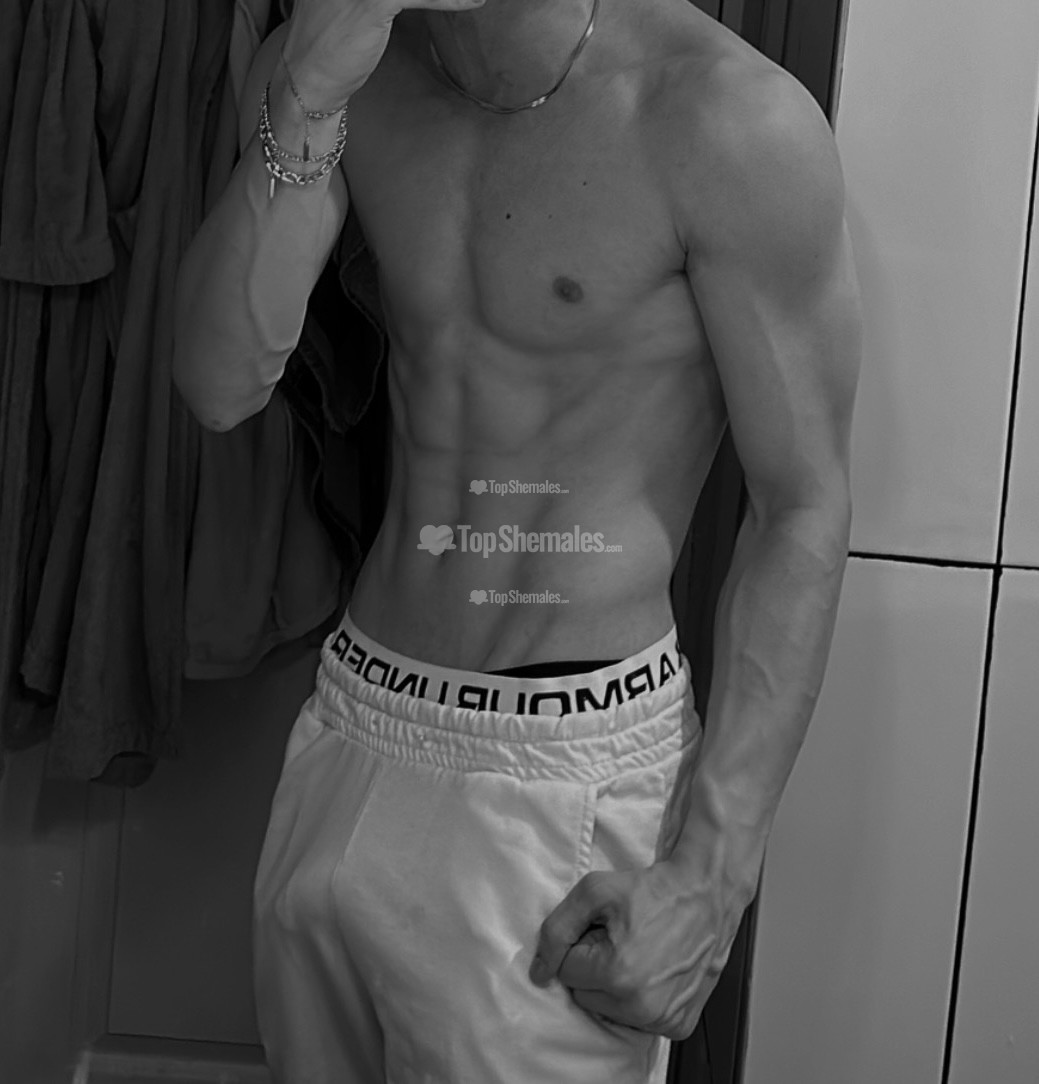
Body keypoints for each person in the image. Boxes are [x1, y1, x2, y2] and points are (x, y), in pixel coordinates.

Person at [173, 0, 862, 1079]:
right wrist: (304, 95)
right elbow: (218, 386)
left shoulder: (724, 119)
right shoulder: (343, 70)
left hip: (562, 779)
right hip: (350, 723)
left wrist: (710, 880)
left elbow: (802, 507)